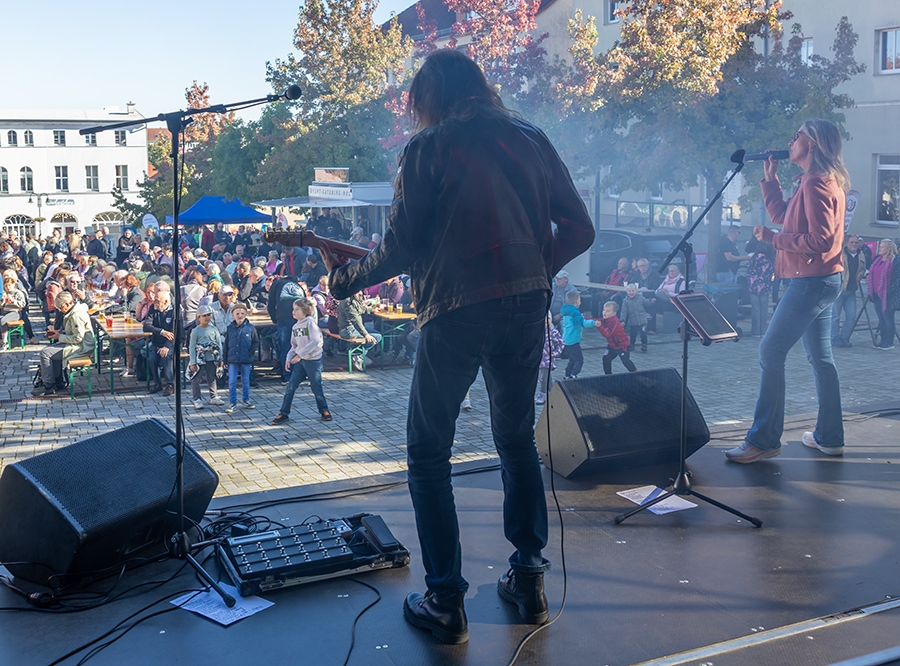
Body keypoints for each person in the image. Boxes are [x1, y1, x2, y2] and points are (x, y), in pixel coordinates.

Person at [321, 50, 593, 644]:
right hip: (526, 306)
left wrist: (341, 281)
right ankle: (528, 581)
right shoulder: (531, 138)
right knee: (516, 440)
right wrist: (534, 271)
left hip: (455, 309)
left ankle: (445, 601)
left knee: (427, 452)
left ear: (430, 99)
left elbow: (400, 247)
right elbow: (580, 229)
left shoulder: (429, 148)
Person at [726, 118, 848, 464]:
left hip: (810, 282)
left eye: (797, 136)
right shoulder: (814, 182)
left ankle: (763, 439)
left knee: (770, 350)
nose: (790, 140)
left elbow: (820, 241)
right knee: (821, 359)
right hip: (822, 279)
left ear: (813, 144)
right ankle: (829, 437)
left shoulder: (815, 184)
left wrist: (772, 239)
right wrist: (770, 180)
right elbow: (783, 214)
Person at [271, 298, 331, 425]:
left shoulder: (310, 323)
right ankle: (284, 413)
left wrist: (300, 355)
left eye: (297, 309)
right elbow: (294, 345)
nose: (293, 312)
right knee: (290, 387)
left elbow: (315, 341)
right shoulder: (295, 326)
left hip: (313, 361)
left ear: (305, 311)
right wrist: (288, 358)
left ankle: (324, 410)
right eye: (293, 309)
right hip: (300, 362)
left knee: (316, 387)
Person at [32, 292, 95, 396]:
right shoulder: (74, 311)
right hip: (79, 344)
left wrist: (59, 337)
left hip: (82, 347)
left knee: (45, 353)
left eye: (60, 308)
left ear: (67, 304)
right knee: (50, 350)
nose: (60, 311)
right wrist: (60, 333)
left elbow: (78, 338)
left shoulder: (76, 315)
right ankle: (57, 380)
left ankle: (48, 384)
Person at [831, 235, 867, 347]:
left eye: (856, 243)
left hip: (852, 290)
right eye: (852, 242)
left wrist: (862, 273)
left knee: (851, 316)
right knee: (835, 316)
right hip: (839, 288)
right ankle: (835, 337)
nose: (854, 245)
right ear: (847, 243)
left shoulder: (861, 254)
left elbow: (863, 268)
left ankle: (845, 337)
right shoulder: (841, 253)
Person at [223, 301, 258, 414]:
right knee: (232, 381)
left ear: (246, 314)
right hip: (232, 359)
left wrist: (250, 352)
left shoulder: (251, 328)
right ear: (233, 315)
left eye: (242, 313)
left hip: (245, 358)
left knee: (245, 380)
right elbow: (227, 344)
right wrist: (225, 360)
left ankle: (246, 400)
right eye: (237, 313)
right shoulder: (230, 329)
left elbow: (255, 342)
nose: (240, 315)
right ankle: (232, 402)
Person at [188, 304, 225, 409]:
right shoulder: (195, 331)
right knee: (196, 378)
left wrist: (220, 358)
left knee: (211, 377)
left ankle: (214, 396)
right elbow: (192, 347)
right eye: (204, 315)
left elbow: (218, 345)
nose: (207, 318)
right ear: (198, 317)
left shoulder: (214, 329)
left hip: (211, 357)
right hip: (200, 359)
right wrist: (193, 362)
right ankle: (197, 399)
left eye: (208, 315)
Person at [144, 287, 178, 397]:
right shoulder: (153, 308)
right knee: (152, 357)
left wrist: (167, 346)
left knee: (166, 356)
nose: (155, 302)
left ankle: (170, 384)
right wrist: (161, 331)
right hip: (157, 341)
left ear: (166, 302)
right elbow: (146, 326)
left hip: (172, 342)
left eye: (157, 301)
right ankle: (157, 382)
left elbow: (176, 332)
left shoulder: (175, 311)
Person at [869, 238, 899, 350]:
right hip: (877, 293)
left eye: (882, 247)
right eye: (880, 246)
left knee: (888, 318)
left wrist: (889, 289)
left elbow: (898, 279)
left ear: (889, 249)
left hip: (888, 295)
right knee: (881, 318)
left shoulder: (895, 261)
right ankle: (882, 340)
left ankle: (889, 342)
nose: (879, 248)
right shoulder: (877, 259)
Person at [560, 290, 595, 380]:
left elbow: (574, 322)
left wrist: (580, 316)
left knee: (572, 359)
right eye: (579, 300)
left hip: (567, 339)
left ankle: (567, 375)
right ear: (576, 301)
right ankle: (573, 375)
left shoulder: (567, 311)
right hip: (573, 340)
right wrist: (594, 323)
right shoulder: (575, 312)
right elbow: (583, 323)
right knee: (579, 360)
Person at [597, 301, 637, 374]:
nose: (604, 312)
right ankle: (608, 376)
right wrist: (584, 319)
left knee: (625, 361)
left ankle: (637, 374)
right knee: (606, 359)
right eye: (604, 310)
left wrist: (599, 326)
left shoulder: (614, 321)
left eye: (608, 311)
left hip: (622, 345)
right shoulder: (604, 320)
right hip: (612, 345)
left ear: (614, 313)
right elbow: (595, 320)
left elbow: (607, 334)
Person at [745, 240, 775, 338]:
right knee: (764, 310)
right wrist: (769, 284)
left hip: (753, 288)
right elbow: (772, 274)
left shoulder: (752, 260)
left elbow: (747, 274)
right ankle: (763, 331)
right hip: (765, 288)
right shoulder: (768, 261)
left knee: (755, 310)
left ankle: (755, 332)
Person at [535, 314, 563, 405]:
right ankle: (555, 395)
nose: (546, 321)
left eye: (548, 318)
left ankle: (542, 395)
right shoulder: (537, 331)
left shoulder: (553, 332)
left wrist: (555, 353)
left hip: (547, 360)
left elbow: (561, 343)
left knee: (543, 378)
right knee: (548, 379)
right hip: (539, 359)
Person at [620, 283, 649, 352]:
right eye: (629, 291)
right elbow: (624, 311)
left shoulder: (641, 298)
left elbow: (646, 303)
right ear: (627, 292)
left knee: (643, 333)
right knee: (633, 334)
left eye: (633, 291)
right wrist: (622, 320)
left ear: (636, 291)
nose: (631, 292)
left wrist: (651, 301)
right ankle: (632, 345)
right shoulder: (625, 301)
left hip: (642, 320)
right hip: (633, 321)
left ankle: (644, 345)